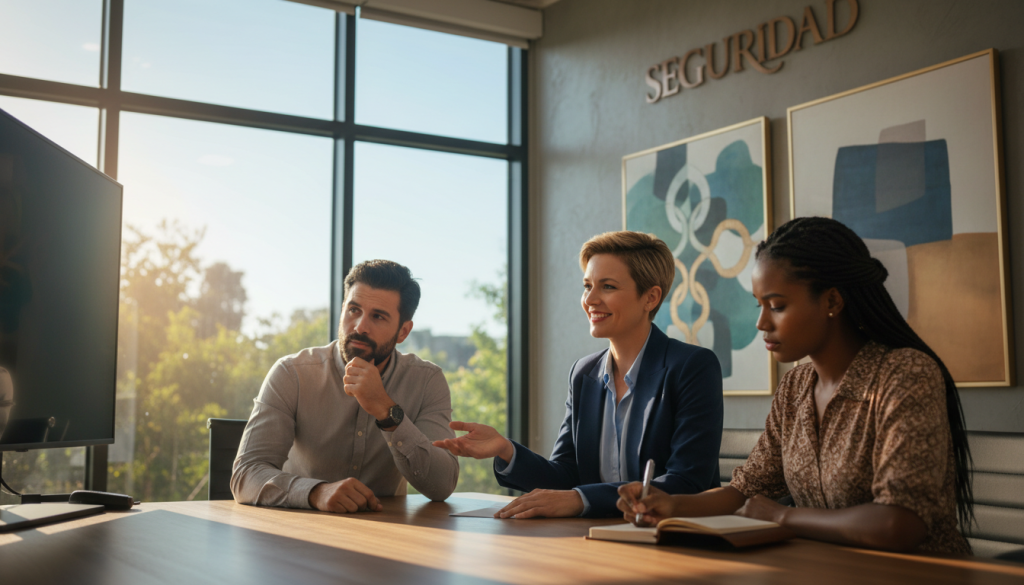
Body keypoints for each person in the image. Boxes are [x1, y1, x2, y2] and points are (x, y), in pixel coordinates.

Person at [617, 217, 973, 555]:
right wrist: (669, 503)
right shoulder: (796, 386)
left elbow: (900, 523)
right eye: (759, 305)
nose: (761, 323)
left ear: (832, 301)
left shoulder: (905, 374)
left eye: (777, 306)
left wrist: (783, 516)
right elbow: (746, 491)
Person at [434, 231, 723, 518]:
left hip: (674, 541)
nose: (590, 299)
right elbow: (565, 476)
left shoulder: (693, 366)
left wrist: (581, 499)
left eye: (607, 287)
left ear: (650, 297)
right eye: (587, 286)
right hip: (594, 540)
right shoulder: (584, 374)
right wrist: (507, 449)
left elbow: (687, 483)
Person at [232, 260, 459, 513]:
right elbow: (245, 474)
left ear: (403, 332)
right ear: (342, 310)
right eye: (354, 310)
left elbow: (441, 485)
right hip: (299, 533)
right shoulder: (291, 374)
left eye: (378, 316)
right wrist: (315, 492)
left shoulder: (427, 381)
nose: (360, 326)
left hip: (387, 535)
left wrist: (387, 410)